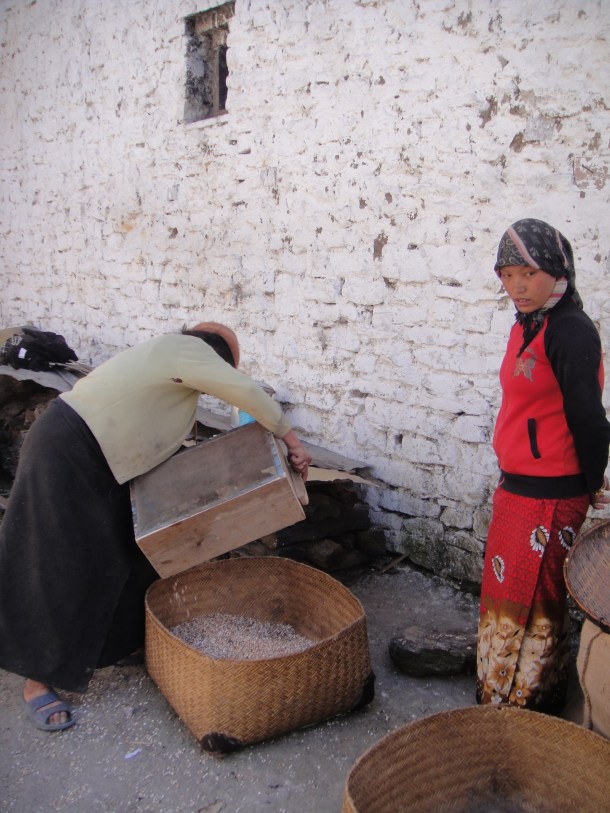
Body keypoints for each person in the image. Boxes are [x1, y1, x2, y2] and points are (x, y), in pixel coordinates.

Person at [0, 321, 312, 731]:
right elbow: (245, 392)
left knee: (133, 549)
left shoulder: (167, 368)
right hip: (67, 452)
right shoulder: (182, 348)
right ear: (215, 353)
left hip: (103, 463)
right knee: (57, 561)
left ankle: (120, 644)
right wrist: (292, 440)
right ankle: (37, 681)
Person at [476, 218, 610, 713]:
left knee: (536, 605)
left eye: (527, 274)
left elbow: (589, 419)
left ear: (557, 270)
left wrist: (591, 482)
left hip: (552, 494)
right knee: (506, 594)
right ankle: (498, 693)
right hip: (518, 489)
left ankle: (527, 707)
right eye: (506, 276)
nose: (516, 287)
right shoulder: (528, 325)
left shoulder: (572, 331)